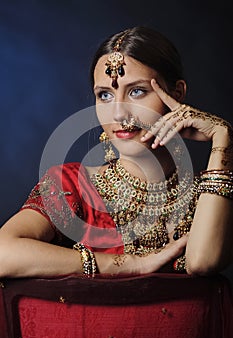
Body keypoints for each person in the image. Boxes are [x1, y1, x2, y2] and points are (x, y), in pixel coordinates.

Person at [0, 26, 233, 279]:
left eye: (137, 92)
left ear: (176, 94)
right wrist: (122, 264)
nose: (119, 113)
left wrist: (224, 136)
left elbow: (203, 262)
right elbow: (3, 253)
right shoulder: (74, 186)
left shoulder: (210, 193)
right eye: (105, 95)